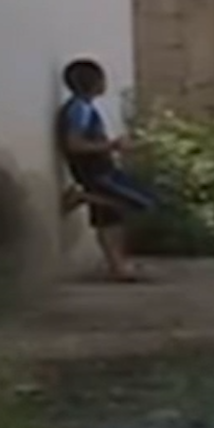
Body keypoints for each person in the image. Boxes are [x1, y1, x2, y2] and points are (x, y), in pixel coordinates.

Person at [57, 58, 158, 282]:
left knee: (109, 219)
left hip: (100, 168)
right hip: (96, 171)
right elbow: (74, 144)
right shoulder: (80, 109)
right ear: (93, 82)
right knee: (141, 202)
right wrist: (113, 145)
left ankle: (117, 266)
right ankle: (82, 196)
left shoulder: (84, 107)